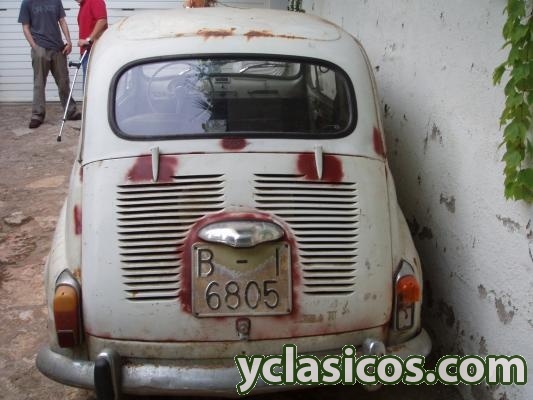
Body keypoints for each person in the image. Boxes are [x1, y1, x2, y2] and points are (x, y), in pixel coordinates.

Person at [18, 0, 81, 129]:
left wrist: (68, 42)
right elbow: (25, 27)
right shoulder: (27, 3)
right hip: (40, 48)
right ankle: (37, 115)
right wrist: (35, 47)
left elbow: (62, 21)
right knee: (39, 83)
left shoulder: (56, 1)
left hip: (58, 48)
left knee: (63, 81)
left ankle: (70, 111)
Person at [75, 0, 108, 81]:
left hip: (94, 51)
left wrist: (89, 40)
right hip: (86, 52)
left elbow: (102, 20)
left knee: (93, 84)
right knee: (88, 85)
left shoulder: (94, 1)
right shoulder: (83, 5)